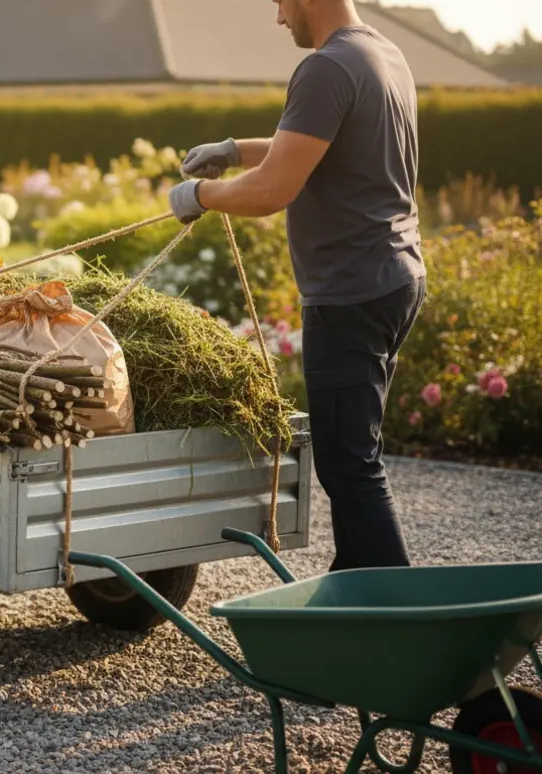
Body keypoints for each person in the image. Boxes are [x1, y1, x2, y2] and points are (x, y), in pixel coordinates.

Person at [167, 0, 426, 571]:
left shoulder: (325, 67)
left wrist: (200, 196)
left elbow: (270, 191)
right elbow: (309, 145)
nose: (279, 17)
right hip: (395, 277)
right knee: (355, 456)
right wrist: (236, 151)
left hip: (350, 291)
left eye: (281, 1)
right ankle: (354, 592)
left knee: (349, 468)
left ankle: (396, 615)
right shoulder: (382, 52)